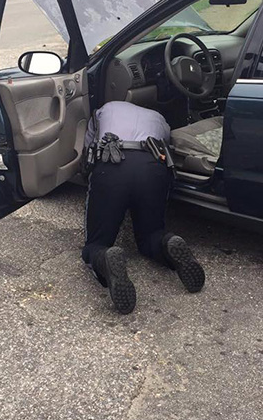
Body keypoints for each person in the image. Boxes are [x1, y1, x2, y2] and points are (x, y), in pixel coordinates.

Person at [82, 100, 205, 315]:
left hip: (113, 164)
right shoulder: (160, 120)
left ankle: (105, 255)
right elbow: (167, 146)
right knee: (151, 235)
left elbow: (88, 148)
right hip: (152, 166)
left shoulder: (105, 108)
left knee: (95, 243)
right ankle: (168, 244)